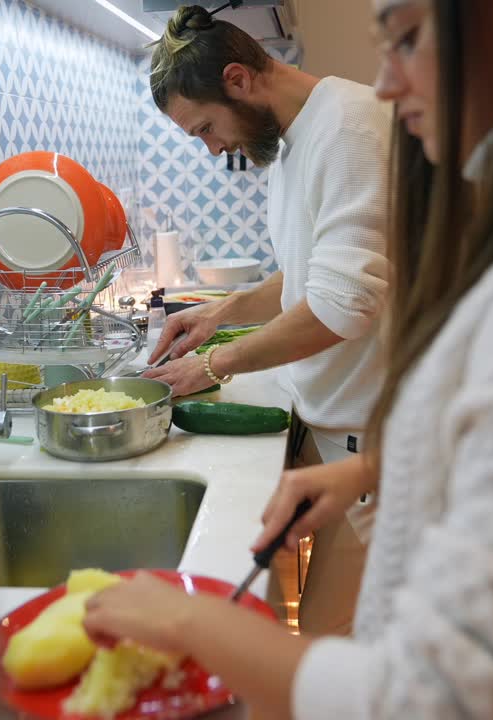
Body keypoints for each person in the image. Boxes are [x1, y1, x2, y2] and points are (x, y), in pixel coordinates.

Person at [84, 1, 493, 718]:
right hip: (361, 455)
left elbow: (442, 699)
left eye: (407, 37)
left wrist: (185, 618)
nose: (388, 87)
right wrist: (373, 469)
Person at [141, 4, 392, 634]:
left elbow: (341, 306)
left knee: (379, 648)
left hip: (378, 441)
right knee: (336, 626)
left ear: (238, 79)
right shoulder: (292, 139)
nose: (211, 147)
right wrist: (217, 314)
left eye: (203, 128)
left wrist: (214, 364)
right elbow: (311, 272)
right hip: (340, 433)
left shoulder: (350, 126)